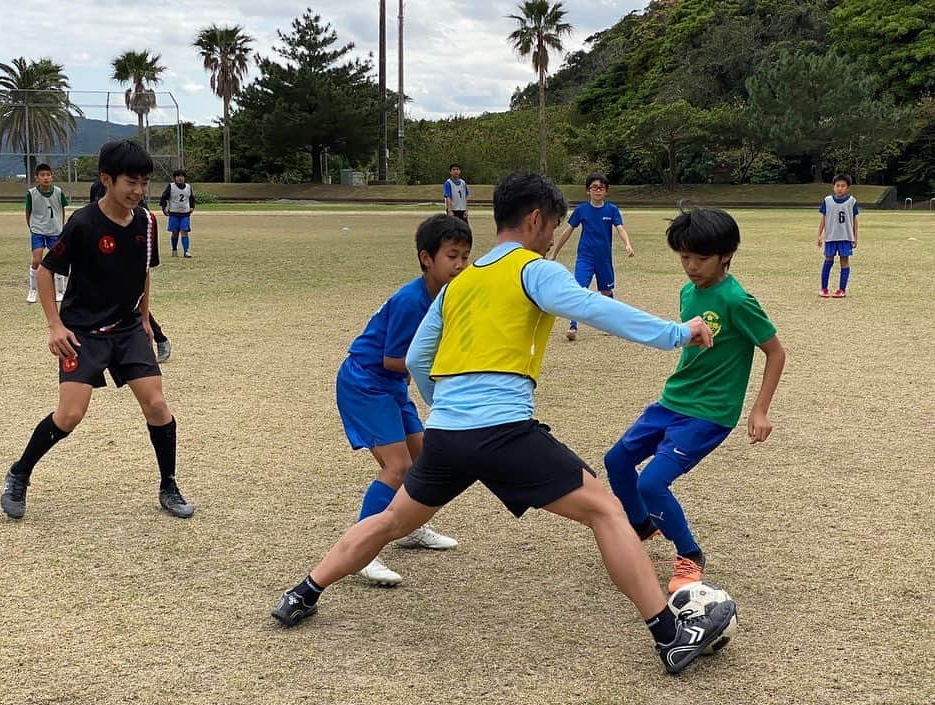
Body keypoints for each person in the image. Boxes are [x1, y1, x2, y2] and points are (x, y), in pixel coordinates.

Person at [272, 172, 735, 675]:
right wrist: (677, 333)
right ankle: (670, 637)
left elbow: (419, 357)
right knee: (607, 511)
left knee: (391, 522)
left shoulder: (459, 283)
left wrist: (446, 409)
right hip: (504, 433)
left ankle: (304, 591)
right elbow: (589, 305)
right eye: (554, 223)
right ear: (537, 219)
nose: (552, 233)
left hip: (448, 434)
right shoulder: (534, 269)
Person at [0, 140, 193, 520]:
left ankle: (168, 484)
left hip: (126, 329)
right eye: (130, 182)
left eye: (145, 183)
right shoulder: (84, 223)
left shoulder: (148, 223)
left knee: (156, 405)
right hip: (81, 333)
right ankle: (19, 474)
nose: (139, 191)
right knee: (70, 414)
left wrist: (144, 318)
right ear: (107, 179)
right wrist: (54, 325)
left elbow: (143, 273)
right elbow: (44, 272)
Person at [604, 208, 786, 594]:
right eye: (684, 257)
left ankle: (690, 555)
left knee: (653, 482)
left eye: (700, 258)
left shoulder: (737, 300)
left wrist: (760, 409)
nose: (690, 266)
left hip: (709, 414)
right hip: (672, 401)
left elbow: (775, 351)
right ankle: (642, 525)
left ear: (725, 254)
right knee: (616, 460)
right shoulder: (688, 291)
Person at [337, 214, 472, 585]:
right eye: (452, 256)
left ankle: (408, 527)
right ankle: (364, 552)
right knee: (396, 467)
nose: (460, 265)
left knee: (423, 463)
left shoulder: (444, 295)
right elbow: (394, 359)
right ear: (427, 258)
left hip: (392, 385)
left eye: (465, 256)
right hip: (366, 382)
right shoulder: (413, 300)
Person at [91, 176, 171, 363]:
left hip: (127, 258)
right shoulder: (97, 188)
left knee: (130, 304)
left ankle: (158, 338)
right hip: (104, 256)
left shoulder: (139, 210)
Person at [549, 172, 634, 341]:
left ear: (606, 191)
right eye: (594, 187)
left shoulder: (612, 209)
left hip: (604, 259)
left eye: (601, 187)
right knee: (579, 290)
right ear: (588, 191)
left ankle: (612, 325)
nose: (597, 190)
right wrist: (555, 253)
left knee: (606, 291)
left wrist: (627, 243)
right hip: (585, 257)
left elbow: (620, 228)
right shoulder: (581, 210)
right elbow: (567, 231)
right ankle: (573, 326)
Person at [26, 163, 70, 304]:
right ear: (37, 178)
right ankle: (33, 290)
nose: (46, 178)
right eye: (42, 175)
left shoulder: (58, 192)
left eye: (48, 175)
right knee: (37, 259)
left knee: (57, 260)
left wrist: (61, 225)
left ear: (52, 177)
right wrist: (32, 227)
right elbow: (28, 212)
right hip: (38, 230)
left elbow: (61, 209)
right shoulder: (31, 193)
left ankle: (60, 291)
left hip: (55, 231)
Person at [817, 174, 859, 298]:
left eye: (843, 186)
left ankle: (842, 289)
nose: (840, 188)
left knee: (844, 262)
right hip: (830, 237)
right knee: (828, 260)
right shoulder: (827, 200)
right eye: (837, 185)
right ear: (833, 187)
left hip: (845, 237)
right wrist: (819, 235)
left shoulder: (852, 201)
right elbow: (823, 218)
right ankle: (824, 288)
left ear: (848, 188)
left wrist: (855, 237)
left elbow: (855, 220)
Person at [160, 169, 196, 258]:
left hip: (185, 214)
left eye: (182, 176)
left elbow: (191, 198)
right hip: (174, 214)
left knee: (184, 231)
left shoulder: (188, 187)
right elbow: (163, 198)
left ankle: (186, 251)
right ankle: (174, 250)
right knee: (175, 232)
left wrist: (192, 206)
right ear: (174, 178)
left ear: (184, 178)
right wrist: (163, 208)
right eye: (178, 176)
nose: (180, 178)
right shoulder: (171, 187)